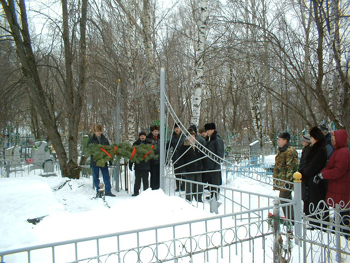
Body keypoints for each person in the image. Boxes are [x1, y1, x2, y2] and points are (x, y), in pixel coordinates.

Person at [313, 129, 350, 239]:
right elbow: (330, 167)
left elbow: (338, 170)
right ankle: (339, 233)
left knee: (343, 212)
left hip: (341, 188)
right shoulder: (338, 151)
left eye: (334, 138)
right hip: (338, 187)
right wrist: (322, 173)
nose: (332, 140)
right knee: (340, 212)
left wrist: (323, 175)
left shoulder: (343, 153)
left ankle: (344, 237)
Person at [299, 127, 328, 227]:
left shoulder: (320, 150)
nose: (310, 139)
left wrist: (303, 173)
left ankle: (317, 225)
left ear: (315, 138)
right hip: (310, 182)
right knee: (310, 205)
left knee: (316, 206)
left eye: (311, 137)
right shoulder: (314, 148)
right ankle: (311, 222)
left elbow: (312, 166)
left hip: (316, 183)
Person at [273, 132, 298, 221]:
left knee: (284, 199)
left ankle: (291, 220)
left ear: (285, 140)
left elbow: (291, 167)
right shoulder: (282, 150)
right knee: (286, 200)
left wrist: (288, 182)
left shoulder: (290, 151)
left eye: (280, 139)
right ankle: (291, 219)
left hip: (286, 182)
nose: (278, 141)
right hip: (282, 181)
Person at [87, 125, 116, 197]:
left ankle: (108, 191)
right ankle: (98, 190)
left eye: (100, 131)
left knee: (106, 176)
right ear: (95, 132)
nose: (99, 133)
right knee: (96, 177)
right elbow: (89, 149)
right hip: (95, 161)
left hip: (103, 161)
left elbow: (109, 150)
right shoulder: (91, 140)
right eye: (97, 131)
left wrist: (110, 160)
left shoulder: (104, 139)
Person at [179, 128, 204, 202]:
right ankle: (189, 200)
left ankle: (198, 199)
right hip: (189, 170)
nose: (192, 138)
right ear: (187, 137)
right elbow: (181, 159)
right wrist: (183, 169)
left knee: (199, 185)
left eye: (193, 136)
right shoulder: (183, 146)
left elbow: (201, 157)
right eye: (190, 136)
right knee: (189, 186)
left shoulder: (197, 146)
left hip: (198, 169)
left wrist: (201, 166)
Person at [203, 122, 225, 199]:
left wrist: (216, 165)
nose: (207, 132)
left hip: (214, 166)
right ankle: (212, 195)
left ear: (212, 130)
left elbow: (220, 154)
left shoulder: (217, 140)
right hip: (209, 166)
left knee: (215, 183)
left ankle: (215, 197)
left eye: (208, 130)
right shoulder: (210, 139)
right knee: (211, 182)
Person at [129, 131, 151, 196]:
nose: (143, 137)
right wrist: (131, 163)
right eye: (141, 136)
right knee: (137, 180)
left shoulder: (148, 144)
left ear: (145, 136)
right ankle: (136, 192)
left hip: (146, 165)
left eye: (144, 136)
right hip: (138, 165)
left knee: (145, 180)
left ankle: (146, 193)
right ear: (139, 137)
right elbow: (132, 154)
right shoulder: (136, 144)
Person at [167, 123, 186, 191]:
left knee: (183, 172)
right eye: (175, 128)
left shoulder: (183, 137)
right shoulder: (173, 137)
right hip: (175, 157)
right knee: (177, 173)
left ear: (180, 129)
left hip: (183, 157)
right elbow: (168, 145)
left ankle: (183, 186)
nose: (177, 129)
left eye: (178, 128)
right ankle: (178, 186)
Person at [146, 125, 160, 190]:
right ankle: (153, 188)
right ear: (152, 131)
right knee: (153, 175)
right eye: (155, 131)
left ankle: (158, 188)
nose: (156, 132)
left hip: (159, 160)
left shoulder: (160, 138)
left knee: (159, 176)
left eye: (157, 131)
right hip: (152, 161)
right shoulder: (148, 139)